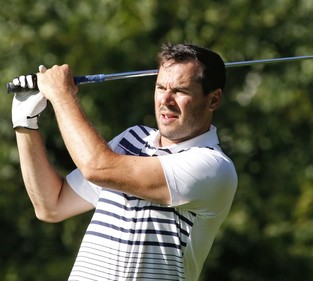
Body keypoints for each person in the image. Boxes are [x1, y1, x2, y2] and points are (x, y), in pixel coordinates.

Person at [12, 43, 238, 280]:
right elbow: (52, 205)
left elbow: (97, 166)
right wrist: (25, 124)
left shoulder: (213, 167)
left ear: (213, 100)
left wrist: (61, 94)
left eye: (180, 91)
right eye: (161, 87)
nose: (166, 100)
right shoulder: (132, 139)